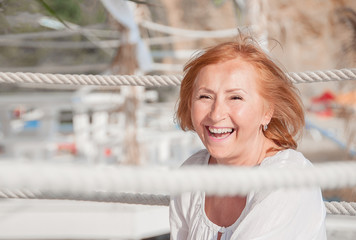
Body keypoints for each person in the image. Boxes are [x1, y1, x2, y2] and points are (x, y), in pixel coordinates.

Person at [169, 34, 326, 240]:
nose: (216, 114)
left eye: (235, 97)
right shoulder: (191, 174)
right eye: (205, 96)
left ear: (267, 111)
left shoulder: (288, 179)